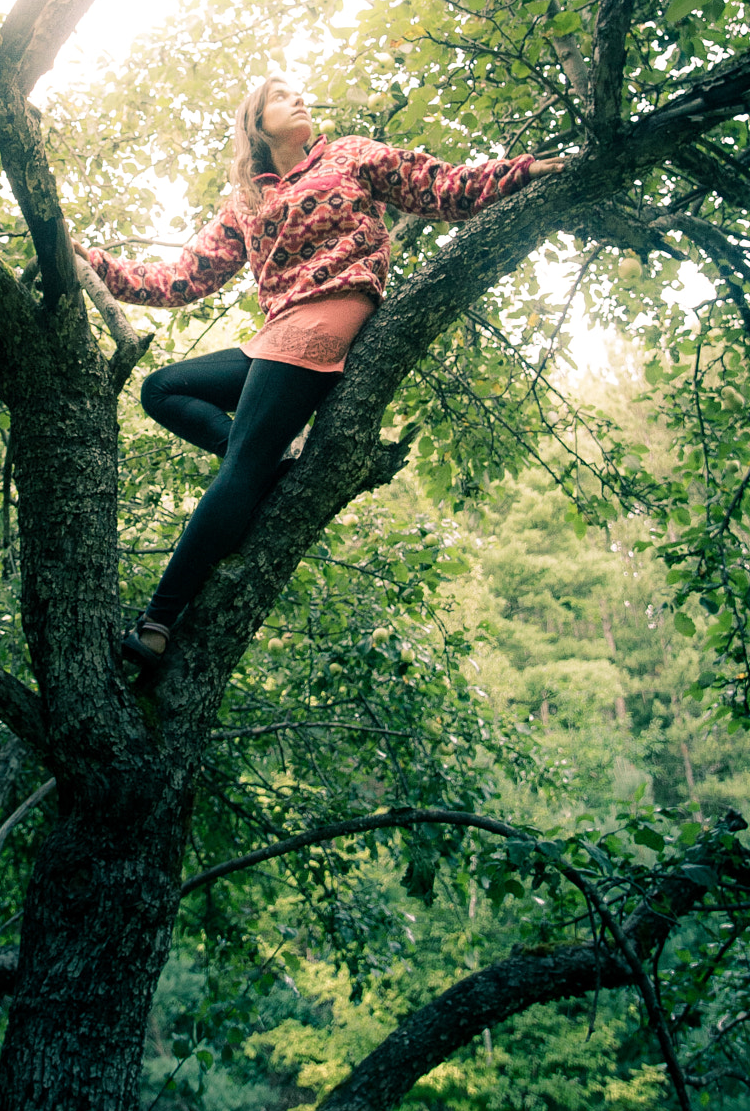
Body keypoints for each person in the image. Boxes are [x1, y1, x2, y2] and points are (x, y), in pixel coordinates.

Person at [76, 76, 564, 668]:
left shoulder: (350, 155)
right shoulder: (247, 204)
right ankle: (269, 464)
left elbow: (438, 185)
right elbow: (181, 279)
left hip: (330, 313)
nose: (299, 99)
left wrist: (523, 171)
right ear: (256, 124)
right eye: (281, 96)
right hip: (277, 333)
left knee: (238, 473)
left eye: (299, 93)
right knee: (162, 388)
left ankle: (157, 622)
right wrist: (92, 261)